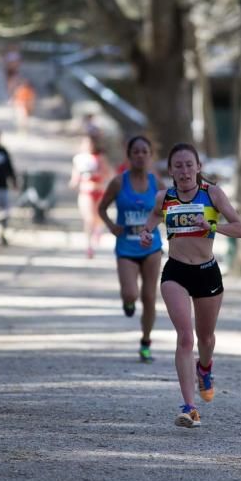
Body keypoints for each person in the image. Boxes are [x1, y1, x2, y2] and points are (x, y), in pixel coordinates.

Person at [140, 142, 241, 427]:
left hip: (207, 273)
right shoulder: (164, 197)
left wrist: (211, 227)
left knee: (206, 339)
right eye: (178, 166)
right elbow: (153, 217)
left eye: (189, 164)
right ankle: (189, 407)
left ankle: (205, 367)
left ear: (198, 167)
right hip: (175, 272)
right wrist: (147, 232)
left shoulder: (212, 193)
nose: (184, 170)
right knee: (185, 338)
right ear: (171, 170)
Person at [98, 136, 165, 363]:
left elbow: (171, 207)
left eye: (144, 151)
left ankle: (145, 343)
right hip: (126, 245)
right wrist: (111, 225)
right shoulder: (118, 183)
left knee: (149, 297)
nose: (140, 155)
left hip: (152, 247)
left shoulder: (156, 184)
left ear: (150, 155)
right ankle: (127, 302)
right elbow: (102, 207)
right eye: (135, 151)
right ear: (129, 155)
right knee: (131, 294)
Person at [69, 136, 112, 258]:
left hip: (98, 191)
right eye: (86, 144)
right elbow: (75, 177)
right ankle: (89, 246)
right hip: (85, 192)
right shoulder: (78, 159)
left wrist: (95, 174)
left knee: (98, 218)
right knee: (88, 219)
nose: (88, 146)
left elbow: (108, 173)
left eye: (90, 144)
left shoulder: (100, 158)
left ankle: (98, 231)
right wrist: (75, 182)